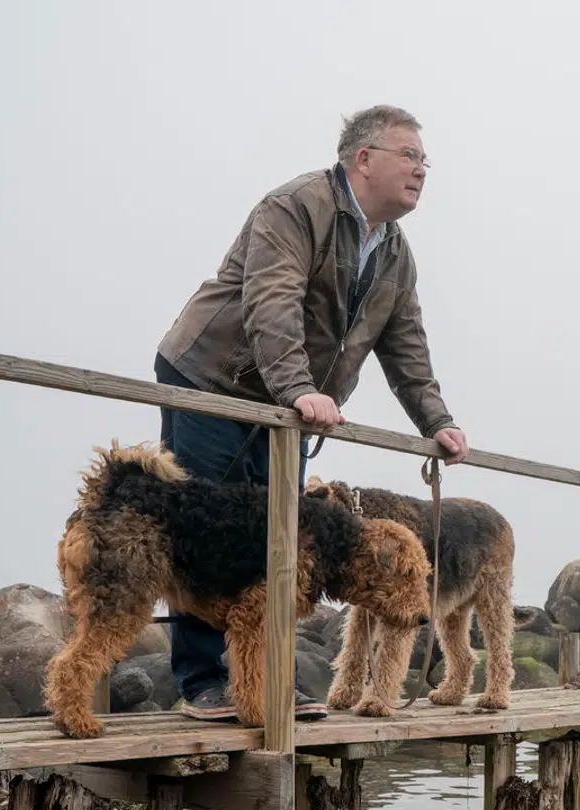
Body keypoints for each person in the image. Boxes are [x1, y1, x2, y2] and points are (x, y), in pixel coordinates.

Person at [152, 104, 468, 722]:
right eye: (409, 155)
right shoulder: (295, 207)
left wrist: (437, 421)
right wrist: (298, 388)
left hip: (290, 404)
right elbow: (272, 302)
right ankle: (205, 681)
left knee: (285, 537)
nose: (421, 170)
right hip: (215, 378)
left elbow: (405, 344)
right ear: (364, 158)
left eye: (424, 160)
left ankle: (269, 677)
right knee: (207, 530)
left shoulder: (394, 252)